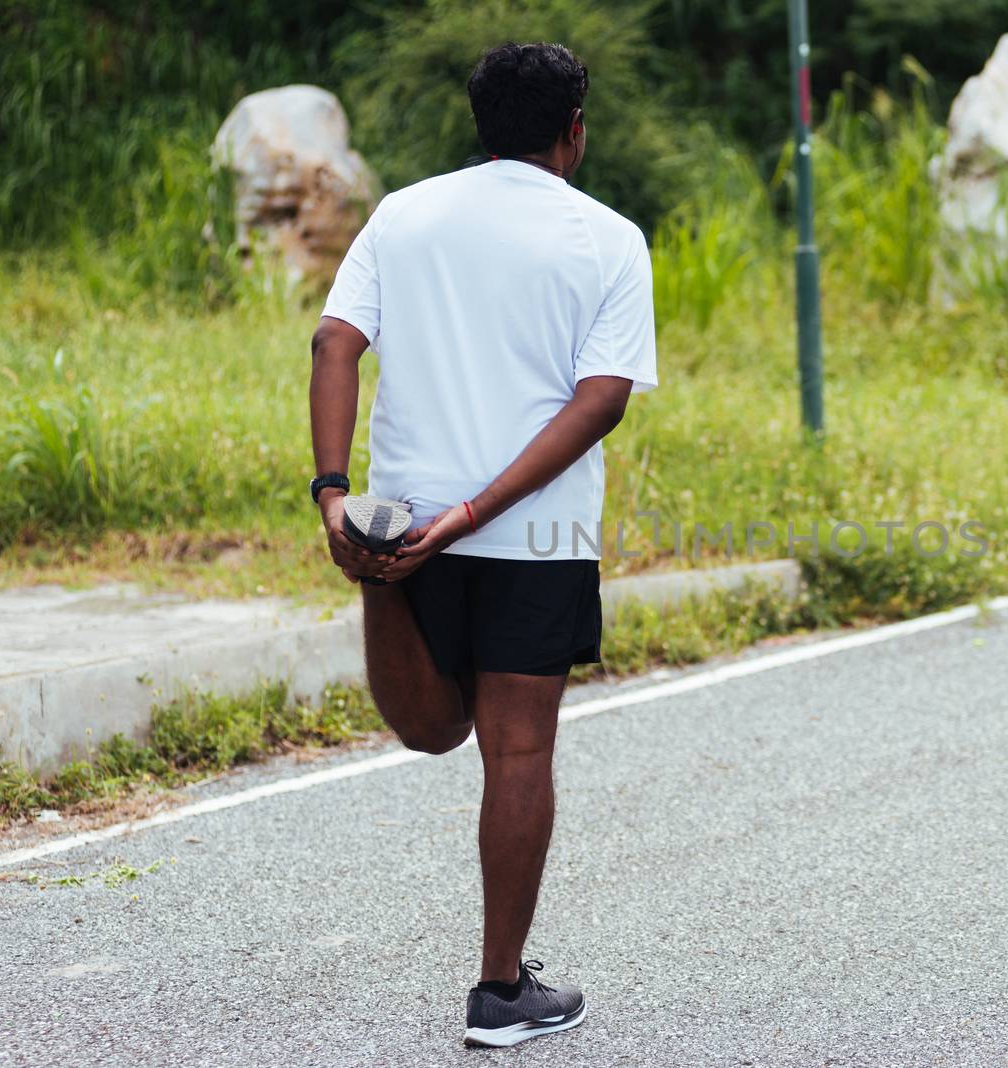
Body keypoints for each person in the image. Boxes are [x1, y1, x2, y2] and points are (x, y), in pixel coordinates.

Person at [306, 40, 657, 1049]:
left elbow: (336, 342)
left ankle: (374, 578)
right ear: (573, 134)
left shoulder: (403, 213)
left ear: (480, 125)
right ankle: (501, 992)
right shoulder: (608, 238)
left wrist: (336, 498)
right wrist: (481, 512)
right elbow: (601, 402)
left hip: (405, 521)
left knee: (430, 731)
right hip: (536, 536)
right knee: (516, 749)